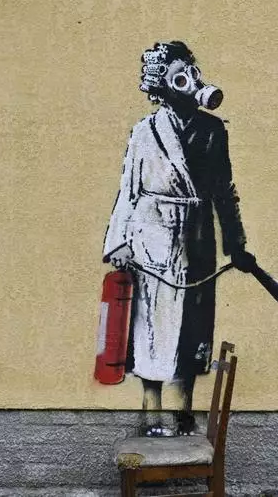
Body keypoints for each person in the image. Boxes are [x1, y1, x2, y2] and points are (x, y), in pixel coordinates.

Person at [102, 41, 256, 437]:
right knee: (151, 327)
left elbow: (225, 191)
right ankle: (152, 411)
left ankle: (184, 411)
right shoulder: (145, 131)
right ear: (162, 83)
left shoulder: (212, 130)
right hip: (152, 237)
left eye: (191, 70)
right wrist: (119, 243)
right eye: (179, 74)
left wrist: (236, 243)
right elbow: (128, 189)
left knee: (192, 325)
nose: (190, 79)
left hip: (197, 236)